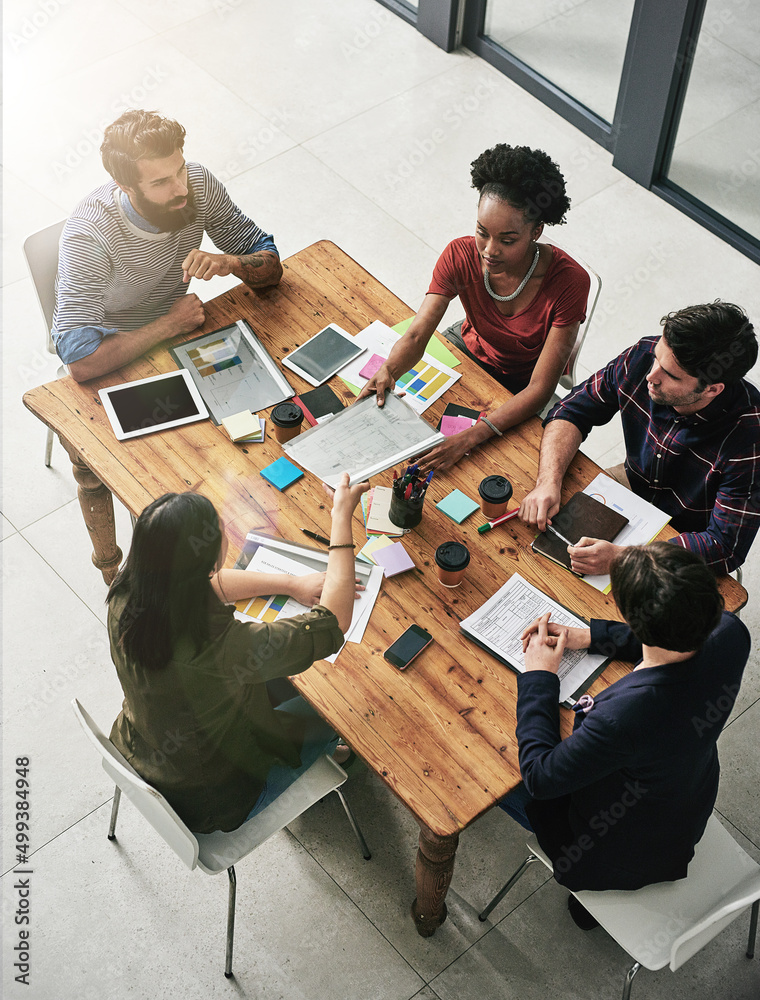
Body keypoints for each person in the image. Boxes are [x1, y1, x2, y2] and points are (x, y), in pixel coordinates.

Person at [107, 473, 368, 834]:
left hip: (144, 751)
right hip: (219, 799)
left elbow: (206, 586)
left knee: (281, 684)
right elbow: (334, 622)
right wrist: (341, 518)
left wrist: (290, 584)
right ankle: (323, 757)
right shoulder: (221, 648)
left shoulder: (127, 593)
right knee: (342, 710)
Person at [507, 542, 749, 919]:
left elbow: (540, 776)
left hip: (614, 845)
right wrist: (590, 637)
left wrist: (539, 674)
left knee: (498, 774)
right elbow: (677, 629)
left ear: (631, 617)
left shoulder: (622, 718)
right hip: (686, 801)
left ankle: (602, 895)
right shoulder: (730, 631)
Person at [358, 143, 590, 471]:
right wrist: (389, 370)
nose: (489, 250)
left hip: (521, 386)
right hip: (468, 351)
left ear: (536, 231)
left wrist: (470, 437)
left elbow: (540, 389)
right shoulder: (459, 255)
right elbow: (415, 337)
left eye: (507, 240)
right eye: (482, 232)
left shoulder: (569, 282)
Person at [520, 301, 760, 575]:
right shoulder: (644, 355)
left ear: (712, 389)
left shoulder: (750, 440)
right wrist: (548, 481)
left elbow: (722, 546)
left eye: (670, 375)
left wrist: (625, 558)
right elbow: (573, 409)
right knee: (537, 559)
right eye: (658, 357)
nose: (651, 375)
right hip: (629, 484)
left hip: (686, 535)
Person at [53, 109, 283, 383]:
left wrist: (230, 262)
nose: (182, 189)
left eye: (180, 170)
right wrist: (169, 325)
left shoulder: (198, 184)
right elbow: (81, 363)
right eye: (161, 182)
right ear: (125, 186)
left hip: (180, 330)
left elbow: (271, 269)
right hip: (115, 350)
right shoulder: (89, 235)